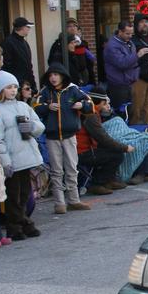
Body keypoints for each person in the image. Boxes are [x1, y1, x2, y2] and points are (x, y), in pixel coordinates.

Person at [0, 70, 44, 240]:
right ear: (1, 90)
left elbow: (39, 126)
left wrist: (31, 127)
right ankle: (17, 225)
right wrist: (4, 160)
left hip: (26, 155)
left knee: (25, 193)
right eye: (9, 87)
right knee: (13, 195)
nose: (12, 90)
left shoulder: (23, 106)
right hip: (11, 158)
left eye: (14, 87)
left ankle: (22, 223)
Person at [36, 63, 93, 214]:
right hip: (52, 136)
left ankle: (74, 200)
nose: (53, 78)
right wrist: (47, 107)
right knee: (56, 170)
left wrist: (82, 105)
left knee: (72, 168)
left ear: (62, 75)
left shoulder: (73, 89)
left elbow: (90, 105)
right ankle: (59, 202)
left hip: (69, 135)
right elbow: (34, 108)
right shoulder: (45, 92)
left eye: (56, 74)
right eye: (51, 75)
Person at [76, 93, 134, 196]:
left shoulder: (92, 113)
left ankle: (109, 180)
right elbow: (103, 138)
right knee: (117, 155)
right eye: (105, 104)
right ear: (98, 104)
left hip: (87, 149)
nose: (108, 107)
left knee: (112, 151)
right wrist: (124, 147)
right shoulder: (91, 115)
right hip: (82, 152)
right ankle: (97, 183)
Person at [102, 21, 140, 111]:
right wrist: (137, 55)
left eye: (131, 33)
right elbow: (122, 63)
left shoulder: (130, 43)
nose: (130, 36)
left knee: (130, 112)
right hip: (118, 86)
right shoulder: (112, 46)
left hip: (130, 83)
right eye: (127, 33)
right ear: (120, 32)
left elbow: (133, 62)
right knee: (121, 113)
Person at [1, 17, 36, 90]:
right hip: (14, 85)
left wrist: (33, 85)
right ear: (22, 28)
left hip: (25, 84)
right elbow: (6, 65)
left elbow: (29, 66)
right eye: (28, 27)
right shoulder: (8, 43)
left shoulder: (25, 43)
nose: (29, 29)